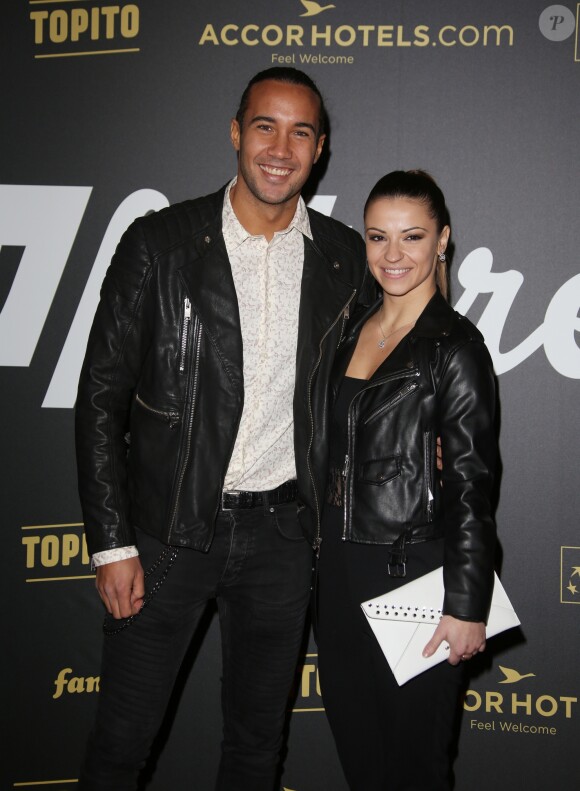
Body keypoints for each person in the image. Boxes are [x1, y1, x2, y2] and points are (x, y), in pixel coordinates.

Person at [74, 67, 368, 790]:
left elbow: (373, 385)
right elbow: (100, 398)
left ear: (320, 148)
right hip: (167, 534)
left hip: (282, 541)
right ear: (237, 134)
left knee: (255, 750)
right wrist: (112, 542)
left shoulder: (343, 258)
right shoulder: (159, 243)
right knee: (120, 745)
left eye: (301, 131)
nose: (280, 146)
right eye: (265, 125)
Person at [314, 170, 497, 790]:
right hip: (337, 573)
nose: (393, 256)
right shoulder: (347, 330)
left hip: (414, 575)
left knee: (414, 768)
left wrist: (467, 603)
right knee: (362, 762)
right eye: (377, 237)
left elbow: (473, 483)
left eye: (412, 237)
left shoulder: (456, 346)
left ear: (442, 241)